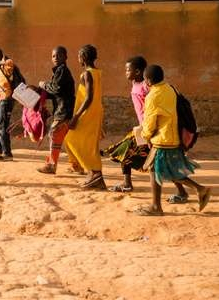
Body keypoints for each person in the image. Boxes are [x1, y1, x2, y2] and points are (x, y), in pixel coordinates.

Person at [103, 57, 190, 201]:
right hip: (143, 130)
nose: (125, 72)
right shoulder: (135, 83)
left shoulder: (146, 85)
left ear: (138, 72)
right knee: (124, 151)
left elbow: (154, 104)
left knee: (161, 163)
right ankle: (127, 183)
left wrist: (150, 132)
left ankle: (182, 192)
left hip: (151, 131)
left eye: (128, 70)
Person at [137, 64, 211, 215]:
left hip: (162, 139)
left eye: (145, 80)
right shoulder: (169, 88)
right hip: (173, 136)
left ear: (149, 80)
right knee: (168, 169)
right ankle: (196, 190)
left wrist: (144, 135)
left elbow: (150, 122)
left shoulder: (153, 96)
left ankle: (157, 207)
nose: (145, 83)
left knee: (154, 169)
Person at [64, 45, 106, 189]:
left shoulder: (87, 74)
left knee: (72, 139)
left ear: (83, 57)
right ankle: (94, 174)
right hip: (95, 111)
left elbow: (88, 98)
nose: (78, 59)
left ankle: (95, 173)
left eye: (79, 56)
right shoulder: (97, 72)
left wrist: (76, 117)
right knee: (89, 144)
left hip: (88, 112)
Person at [36, 46, 76, 174]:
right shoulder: (59, 71)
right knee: (69, 139)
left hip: (63, 110)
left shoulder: (62, 71)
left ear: (65, 57)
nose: (56, 58)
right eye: (53, 56)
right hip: (64, 109)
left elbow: (56, 89)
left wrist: (43, 85)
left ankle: (52, 165)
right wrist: (39, 93)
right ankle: (77, 165)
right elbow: (55, 92)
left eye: (59, 55)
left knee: (54, 134)